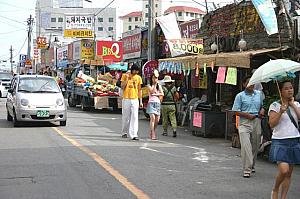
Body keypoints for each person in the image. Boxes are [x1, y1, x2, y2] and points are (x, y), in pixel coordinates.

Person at [268, 79, 300, 199]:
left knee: (289, 174)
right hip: (280, 141)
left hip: (294, 140)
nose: (289, 90)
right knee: (284, 170)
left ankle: (283, 197)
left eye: (291, 88)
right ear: (280, 91)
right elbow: (272, 124)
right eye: (286, 88)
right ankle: (275, 188)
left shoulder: (296, 104)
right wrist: (281, 111)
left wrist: (292, 105)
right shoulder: (275, 105)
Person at [232, 76, 265, 178]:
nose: (251, 85)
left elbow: (263, 105)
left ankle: (252, 165)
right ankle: (247, 169)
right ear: (244, 84)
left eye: (253, 82)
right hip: (244, 122)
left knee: (255, 144)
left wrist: (262, 110)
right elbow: (235, 111)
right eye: (249, 83)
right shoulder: (240, 96)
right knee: (246, 145)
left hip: (256, 120)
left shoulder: (259, 94)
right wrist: (247, 115)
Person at [120, 63, 143, 140]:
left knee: (135, 117)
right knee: (126, 116)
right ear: (132, 69)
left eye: (137, 71)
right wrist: (126, 78)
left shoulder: (139, 78)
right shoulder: (124, 75)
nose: (136, 72)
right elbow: (122, 87)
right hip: (126, 98)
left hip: (135, 99)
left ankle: (134, 134)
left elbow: (140, 90)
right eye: (135, 70)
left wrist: (141, 101)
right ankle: (124, 132)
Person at [146, 70, 164, 140]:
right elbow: (152, 91)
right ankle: (153, 133)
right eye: (153, 78)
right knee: (152, 118)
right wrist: (154, 84)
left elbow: (162, 94)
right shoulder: (149, 85)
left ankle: (152, 130)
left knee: (157, 120)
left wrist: (156, 94)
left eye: (156, 78)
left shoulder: (159, 86)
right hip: (151, 103)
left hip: (158, 103)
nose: (155, 79)